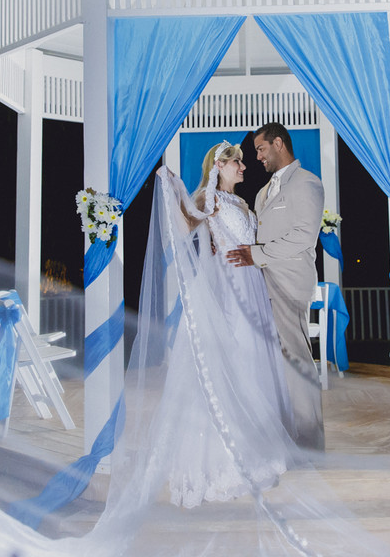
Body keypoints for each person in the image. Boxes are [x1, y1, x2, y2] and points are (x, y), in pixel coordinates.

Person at [123, 141, 295, 508]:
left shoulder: (243, 204)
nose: (244, 169)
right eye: (238, 164)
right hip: (225, 288)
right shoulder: (209, 199)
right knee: (227, 367)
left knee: (252, 366)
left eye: (245, 165)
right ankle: (222, 460)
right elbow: (186, 227)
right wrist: (173, 190)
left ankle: (254, 448)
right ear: (221, 165)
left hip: (251, 287)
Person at [227, 123, 326, 451]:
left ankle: (311, 441)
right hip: (262, 286)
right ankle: (287, 432)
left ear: (279, 143)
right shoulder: (262, 191)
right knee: (277, 361)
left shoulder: (307, 183)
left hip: (289, 283)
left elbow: (303, 236)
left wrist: (256, 255)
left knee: (296, 359)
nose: (257, 157)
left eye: (260, 149)